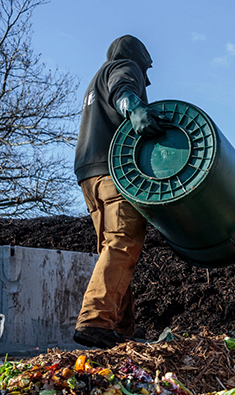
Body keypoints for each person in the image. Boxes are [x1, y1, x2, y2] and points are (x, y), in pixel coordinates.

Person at [72, 35, 164, 349]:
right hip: (115, 172)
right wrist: (135, 108)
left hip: (89, 173)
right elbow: (123, 90)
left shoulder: (94, 82)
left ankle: (121, 329)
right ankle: (95, 322)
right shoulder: (125, 67)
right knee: (124, 243)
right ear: (138, 59)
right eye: (146, 69)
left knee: (111, 249)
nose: (147, 78)